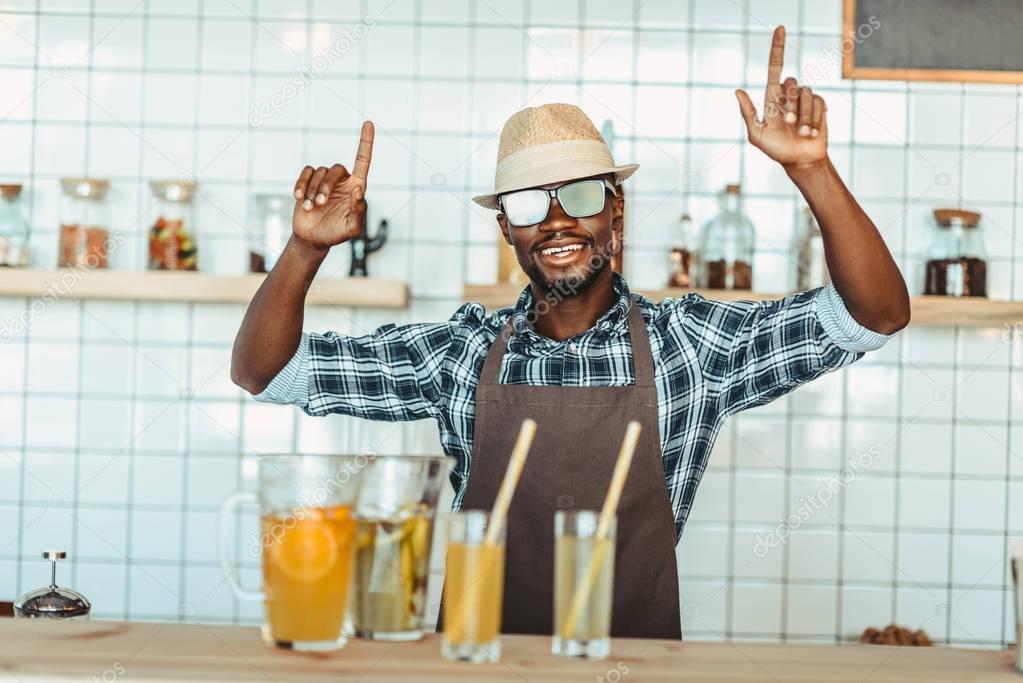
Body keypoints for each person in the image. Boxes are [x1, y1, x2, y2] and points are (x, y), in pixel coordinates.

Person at [231, 26, 910, 640]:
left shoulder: (693, 347)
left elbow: (872, 313)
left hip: (628, 663)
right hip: (473, 663)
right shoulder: (457, 353)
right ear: (507, 230)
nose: (556, 219)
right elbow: (265, 370)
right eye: (529, 203)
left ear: (615, 214)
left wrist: (809, 170)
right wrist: (304, 250)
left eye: (581, 195)